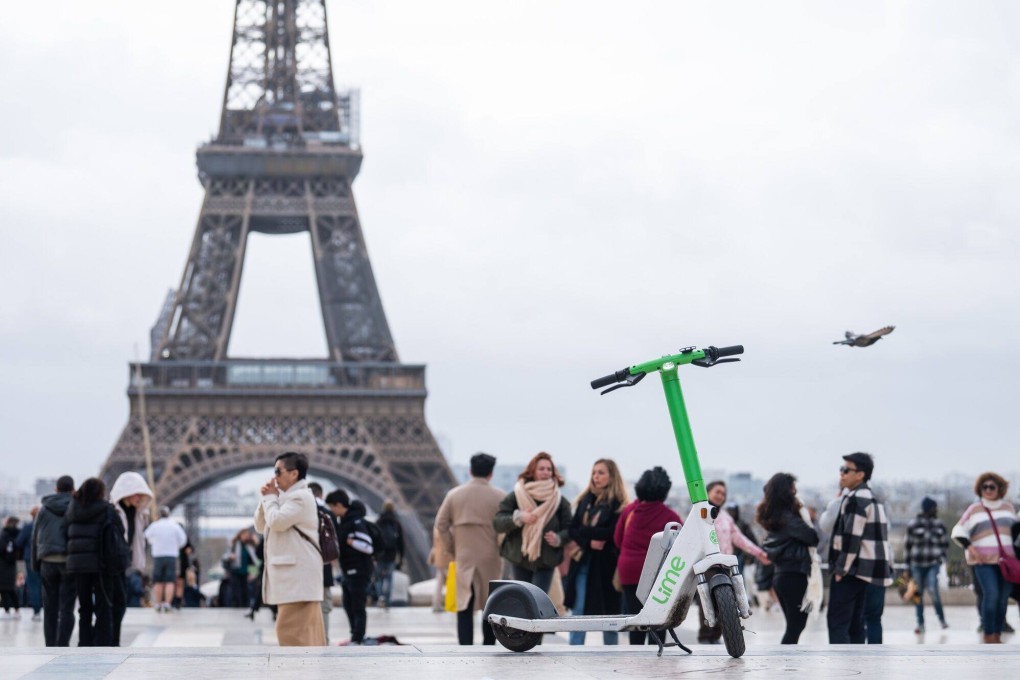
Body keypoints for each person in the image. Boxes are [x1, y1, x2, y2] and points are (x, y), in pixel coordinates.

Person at [254, 451, 326, 646]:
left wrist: (270, 499)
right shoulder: (287, 499)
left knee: (290, 631)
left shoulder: (300, 498)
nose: (274, 476)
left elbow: (276, 522)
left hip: (297, 578)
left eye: (278, 471)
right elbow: (261, 526)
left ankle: (296, 672)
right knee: (303, 633)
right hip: (294, 579)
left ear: (293, 474)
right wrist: (266, 499)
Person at [435, 452, 505, 645]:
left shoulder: (454, 495)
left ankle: (465, 647)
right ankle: (488, 646)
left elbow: (440, 523)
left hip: (464, 556)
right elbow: (506, 530)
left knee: (464, 605)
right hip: (491, 558)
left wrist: (452, 548)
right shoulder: (500, 496)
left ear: (470, 471)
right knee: (490, 607)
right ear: (491, 474)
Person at [825, 452, 893, 645]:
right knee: (857, 625)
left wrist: (840, 570)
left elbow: (851, 539)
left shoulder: (856, 499)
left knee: (838, 623)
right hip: (869, 571)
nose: (842, 474)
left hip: (853, 571)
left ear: (860, 474)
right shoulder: (874, 498)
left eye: (847, 470)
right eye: (841, 469)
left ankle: (843, 667)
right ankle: (859, 666)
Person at [613, 466, 682, 645]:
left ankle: (636, 652)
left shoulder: (630, 511)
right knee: (659, 617)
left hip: (629, 570)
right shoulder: (670, 516)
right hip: (658, 573)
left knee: (636, 617)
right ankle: (657, 651)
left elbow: (617, 539)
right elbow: (679, 547)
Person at [698, 480, 771, 644]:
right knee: (709, 601)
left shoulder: (725, 517)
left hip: (724, 565)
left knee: (726, 602)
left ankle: (717, 637)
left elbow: (739, 539)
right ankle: (706, 636)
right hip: (706, 565)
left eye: (723, 494)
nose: (720, 496)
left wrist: (759, 553)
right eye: (717, 492)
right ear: (707, 492)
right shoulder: (699, 513)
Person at [566, 458, 628, 645]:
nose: (596, 477)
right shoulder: (586, 499)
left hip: (606, 566)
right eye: (594, 472)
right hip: (584, 561)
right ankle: (574, 649)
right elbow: (572, 529)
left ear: (612, 476)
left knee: (609, 613)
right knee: (579, 609)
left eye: (601, 473)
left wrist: (585, 531)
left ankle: (612, 650)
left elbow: (611, 532)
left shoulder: (618, 503)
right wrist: (589, 541)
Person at [951, 472, 1018, 644]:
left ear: (999, 489)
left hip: (1006, 562)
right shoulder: (974, 509)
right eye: (984, 487)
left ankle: (997, 632)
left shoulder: (1008, 508)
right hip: (983, 561)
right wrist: (970, 547)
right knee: (991, 594)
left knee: (1003, 599)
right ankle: (988, 634)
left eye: (991, 487)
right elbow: (958, 530)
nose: (988, 490)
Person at [494, 452, 572, 594]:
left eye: (549, 469)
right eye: (541, 469)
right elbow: (498, 522)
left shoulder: (560, 501)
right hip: (519, 557)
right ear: (532, 472)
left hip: (546, 560)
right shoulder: (517, 495)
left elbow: (570, 529)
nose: (546, 472)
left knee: (538, 598)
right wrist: (518, 518)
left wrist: (558, 538)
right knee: (522, 598)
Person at [756, 473, 819, 644]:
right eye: (793, 489)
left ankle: (786, 660)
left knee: (794, 626)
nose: (796, 493)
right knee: (795, 626)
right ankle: (785, 661)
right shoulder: (789, 518)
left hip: (782, 576)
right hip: (794, 576)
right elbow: (812, 537)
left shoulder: (776, 517)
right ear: (786, 491)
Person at [64, 477, 128, 646]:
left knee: (84, 607)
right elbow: (119, 532)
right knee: (104, 605)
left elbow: (66, 535)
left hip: (78, 565)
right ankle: (103, 641)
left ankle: (84, 642)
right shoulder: (107, 510)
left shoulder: (72, 510)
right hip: (102, 564)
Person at [109, 471, 153, 646]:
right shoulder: (113, 512)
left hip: (126, 563)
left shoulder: (138, 514)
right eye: (137, 493)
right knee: (114, 603)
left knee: (120, 604)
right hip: (113, 563)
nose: (140, 497)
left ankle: (114, 639)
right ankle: (110, 640)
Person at [325, 489, 374, 645]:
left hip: (359, 570)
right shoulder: (345, 522)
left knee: (357, 605)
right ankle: (355, 634)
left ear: (338, 505)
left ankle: (358, 637)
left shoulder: (355, 522)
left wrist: (350, 542)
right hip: (348, 570)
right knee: (348, 604)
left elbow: (368, 546)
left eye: (331, 507)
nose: (331, 511)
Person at [32, 475, 77, 645]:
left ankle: (50, 644)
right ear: (73, 490)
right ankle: (63, 644)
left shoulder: (44, 508)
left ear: (56, 489)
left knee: (49, 608)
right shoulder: (76, 506)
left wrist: (35, 563)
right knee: (67, 608)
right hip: (69, 560)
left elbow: (35, 537)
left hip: (48, 560)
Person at [905, 496, 950, 634]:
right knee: (917, 595)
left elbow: (945, 544)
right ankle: (920, 624)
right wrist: (907, 566)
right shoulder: (913, 524)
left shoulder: (939, 524)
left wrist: (943, 560)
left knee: (932, 590)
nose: (936, 510)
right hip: (916, 564)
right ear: (927, 508)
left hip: (933, 563)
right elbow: (908, 546)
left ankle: (942, 620)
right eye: (933, 507)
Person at [143, 506, 188, 612]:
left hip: (158, 555)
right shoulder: (175, 526)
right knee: (170, 581)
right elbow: (183, 541)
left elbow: (146, 536)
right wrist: (175, 546)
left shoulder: (155, 525)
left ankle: (158, 604)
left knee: (158, 581)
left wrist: (153, 542)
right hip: (171, 555)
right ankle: (167, 604)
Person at [307, 481, 335, 643]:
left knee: (303, 607)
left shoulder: (299, 513)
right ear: (321, 495)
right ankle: (323, 640)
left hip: (303, 568)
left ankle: (307, 640)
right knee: (324, 606)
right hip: (324, 567)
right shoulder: (328, 514)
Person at [374, 500, 404, 609]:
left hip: (380, 554)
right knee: (389, 578)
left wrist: (374, 554)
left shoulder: (379, 521)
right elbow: (401, 542)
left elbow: (374, 538)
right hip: (391, 555)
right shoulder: (396, 523)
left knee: (378, 578)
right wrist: (401, 557)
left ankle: (380, 597)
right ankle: (387, 600)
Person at [16, 507, 42, 621]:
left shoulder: (28, 527)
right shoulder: (46, 526)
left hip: (30, 558)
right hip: (44, 558)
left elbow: (18, 542)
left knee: (33, 584)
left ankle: (37, 611)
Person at [229, 528, 258, 608]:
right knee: (237, 593)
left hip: (246, 574)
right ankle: (237, 608)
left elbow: (253, 561)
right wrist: (231, 557)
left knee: (246, 593)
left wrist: (253, 573)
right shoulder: (235, 545)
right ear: (240, 535)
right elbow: (227, 556)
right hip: (236, 572)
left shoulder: (250, 546)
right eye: (244, 534)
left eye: (247, 535)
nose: (246, 536)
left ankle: (245, 608)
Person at [0, 517, 20, 619]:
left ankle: (7, 610)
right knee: (11, 589)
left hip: (3, 565)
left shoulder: (3, 535)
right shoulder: (17, 534)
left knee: (3, 589)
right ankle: (17, 610)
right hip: (12, 565)